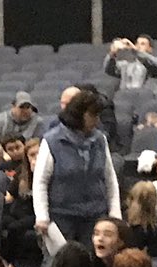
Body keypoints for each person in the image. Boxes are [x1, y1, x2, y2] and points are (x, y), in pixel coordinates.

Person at [32, 89, 120, 255]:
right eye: (93, 115)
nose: (97, 120)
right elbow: (40, 182)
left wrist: (115, 214)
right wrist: (42, 216)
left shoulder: (100, 140)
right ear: (79, 114)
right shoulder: (52, 140)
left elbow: (109, 178)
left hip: (94, 215)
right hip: (62, 218)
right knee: (61, 264)